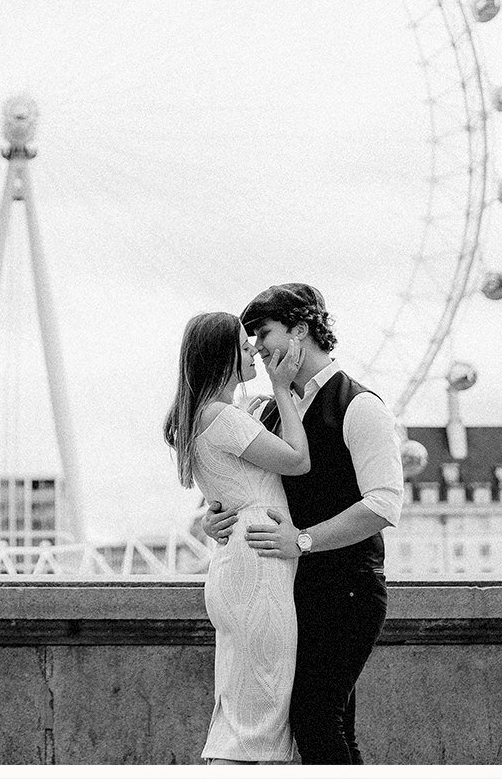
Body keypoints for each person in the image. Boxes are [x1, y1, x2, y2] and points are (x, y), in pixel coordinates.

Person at [202, 284, 402, 765]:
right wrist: (216, 517)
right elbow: (252, 483)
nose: (255, 346)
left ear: (300, 328)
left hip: (348, 587)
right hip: (293, 588)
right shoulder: (273, 409)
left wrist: (302, 540)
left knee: (315, 717)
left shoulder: (360, 405)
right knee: (325, 723)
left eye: (263, 331)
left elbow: (385, 503)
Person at [163, 309, 312, 764]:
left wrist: (211, 521)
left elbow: (225, 493)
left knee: (240, 710)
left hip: (236, 564)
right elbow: (296, 460)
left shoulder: (200, 416)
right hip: (257, 567)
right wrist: (284, 391)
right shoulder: (222, 415)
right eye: (243, 345)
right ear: (222, 355)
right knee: (263, 717)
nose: (253, 350)